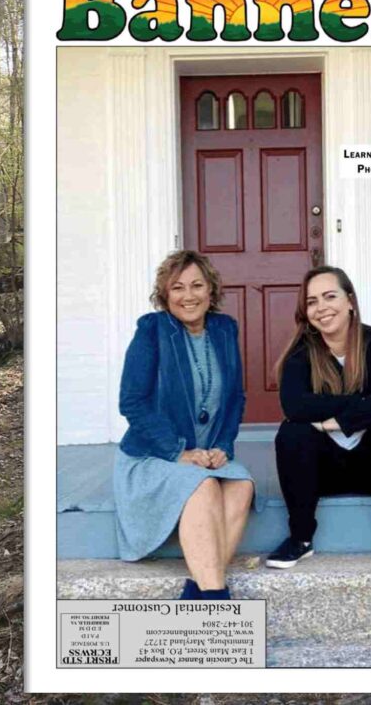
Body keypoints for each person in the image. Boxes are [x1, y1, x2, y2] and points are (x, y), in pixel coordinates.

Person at [267, 265, 371, 572]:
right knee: (292, 433)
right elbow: (295, 407)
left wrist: (334, 419)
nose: (321, 308)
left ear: (350, 301)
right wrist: (362, 403)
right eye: (312, 301)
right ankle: (300, 537)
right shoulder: (300, 354)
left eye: (329, 296)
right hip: (322, 472)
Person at [114, 250, 254, 600]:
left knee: (242, 485)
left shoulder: (224, 330)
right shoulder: (152, 330)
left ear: (211, 291)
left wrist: (223, 446)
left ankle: (197, 590)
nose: (188, 295)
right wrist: (179, 452)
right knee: (204, 485)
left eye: (196, 285)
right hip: (153, 457)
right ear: (165, 295)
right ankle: (217, 602)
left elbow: (236, 398)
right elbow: (132, 402)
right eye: (177, 287)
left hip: (204, 455)